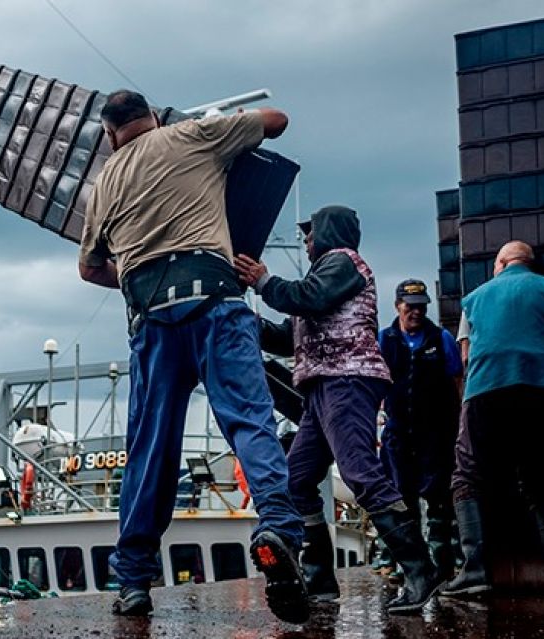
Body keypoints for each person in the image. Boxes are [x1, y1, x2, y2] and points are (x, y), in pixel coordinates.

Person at [78, 90, 308, 623]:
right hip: (213, 302)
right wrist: (210, 127)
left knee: (149, 450)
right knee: (249, 421)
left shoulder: (104, 182)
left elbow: (89, 268)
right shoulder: (187, 136)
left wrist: (140, 273)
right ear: (153, 117)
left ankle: (133, 581)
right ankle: (276, 526)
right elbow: (278, 120)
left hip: (151, 318)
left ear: (111, 134)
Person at [235, 206, 444, 614]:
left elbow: (305, 299)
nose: (307, 241)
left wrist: (261, 281)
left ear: (330, 231)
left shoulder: (343, 262)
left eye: (311, 233)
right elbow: (286, 338)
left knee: (360, 473)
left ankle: (421, 570)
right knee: (296, 482)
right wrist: (248, 322)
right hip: (321, 387)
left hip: (346, 379)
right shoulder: (321, 279)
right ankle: (320, 580)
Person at [442, 240, 544, 598]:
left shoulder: (474, 299)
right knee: (541, 479)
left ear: (500, 264)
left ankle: (476, 571)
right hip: (541, 386)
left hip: (486, 389)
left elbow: (466, 355)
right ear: (530, 264)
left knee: (467, 474)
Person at [377, 279, 464, 583]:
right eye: (409, 306)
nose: (415, 312)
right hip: (398, 435)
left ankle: (443, 566)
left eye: (421, 306)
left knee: (439, 501)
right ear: (397, 305)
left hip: (435, 435)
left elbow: (456, 382)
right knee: (401, 500)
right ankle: (405, 564)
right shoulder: (383, 340)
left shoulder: (442, 339)